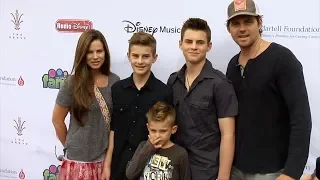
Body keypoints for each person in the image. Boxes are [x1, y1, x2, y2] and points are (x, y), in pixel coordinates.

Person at [225, 0, 312, 179]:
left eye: (248, 22)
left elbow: (301, 119)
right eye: (236, 23)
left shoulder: (282, 59)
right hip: (236, 170)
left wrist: (291, 173)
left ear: (260, 23)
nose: (242, 29)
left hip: (273, 172)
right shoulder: (232, 66)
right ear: (229, 29)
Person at [167, 18, 238, 180]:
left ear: (209, 46)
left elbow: (228, 134)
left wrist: (224, 176)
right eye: (189, 41)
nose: (193, 47)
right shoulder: (173, 81)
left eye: (199, 42)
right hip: (175, 167)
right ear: (181, 44)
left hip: (206, 171)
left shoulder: (220, 84)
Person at [52, 29, 120, 180]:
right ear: (82, 54)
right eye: (90, 52)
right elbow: (57, 119)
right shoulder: (73, 82)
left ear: (105, 53)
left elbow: (116, 125)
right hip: (77, 161)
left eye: (99, 51)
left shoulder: (115, 82)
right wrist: (70, 145)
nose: (95, 56)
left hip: (103, 160)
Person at [107, 32, 173, 180]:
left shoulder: (164, 92)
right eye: (135, 56)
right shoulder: (117, 89)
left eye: (145, 56)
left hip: (150, 166)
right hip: (118, 165)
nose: (140, 61)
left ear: (154, 58)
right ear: (129, 56)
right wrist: (107, 165)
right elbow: (113, 129)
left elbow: (166, 132)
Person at [126, 101, 191, 180]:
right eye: (153, 130)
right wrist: (148, 148)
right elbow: (130, 174)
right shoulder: (143, 146)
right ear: (148, 127)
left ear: (173, 129)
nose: (157, 135)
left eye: (163, 131)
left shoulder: (180, 153)